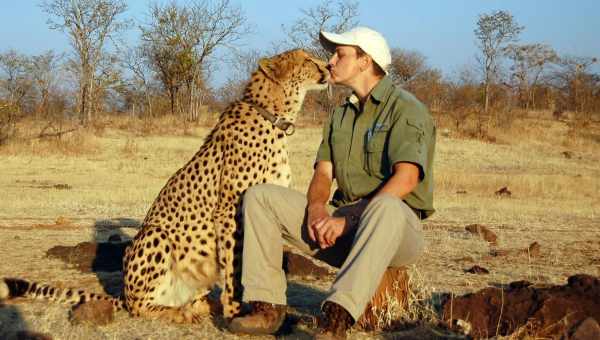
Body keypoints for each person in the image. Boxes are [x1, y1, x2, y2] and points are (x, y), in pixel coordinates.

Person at [228, 26, 436, 339]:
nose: (330, 62)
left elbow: (406, 179)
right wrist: (315, 209)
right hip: (344, 226)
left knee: (385, 208)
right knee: (260, 196)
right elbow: (323, 174)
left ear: (365, 61)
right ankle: (266, 307)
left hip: (394, 231)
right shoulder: (340, 115)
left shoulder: (406, 108)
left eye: (340, 54)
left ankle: (335, 320)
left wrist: (350, 218)